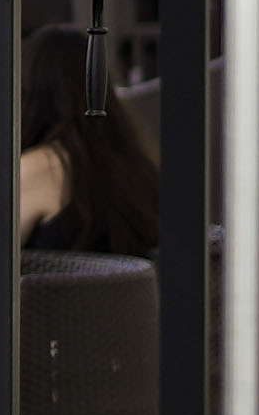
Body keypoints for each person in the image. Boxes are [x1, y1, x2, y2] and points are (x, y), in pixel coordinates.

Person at [17, 25, 162, 257]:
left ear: (28, 94)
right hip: (139, 294)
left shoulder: (39, 168)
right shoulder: (134, 166)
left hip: (57, 294)